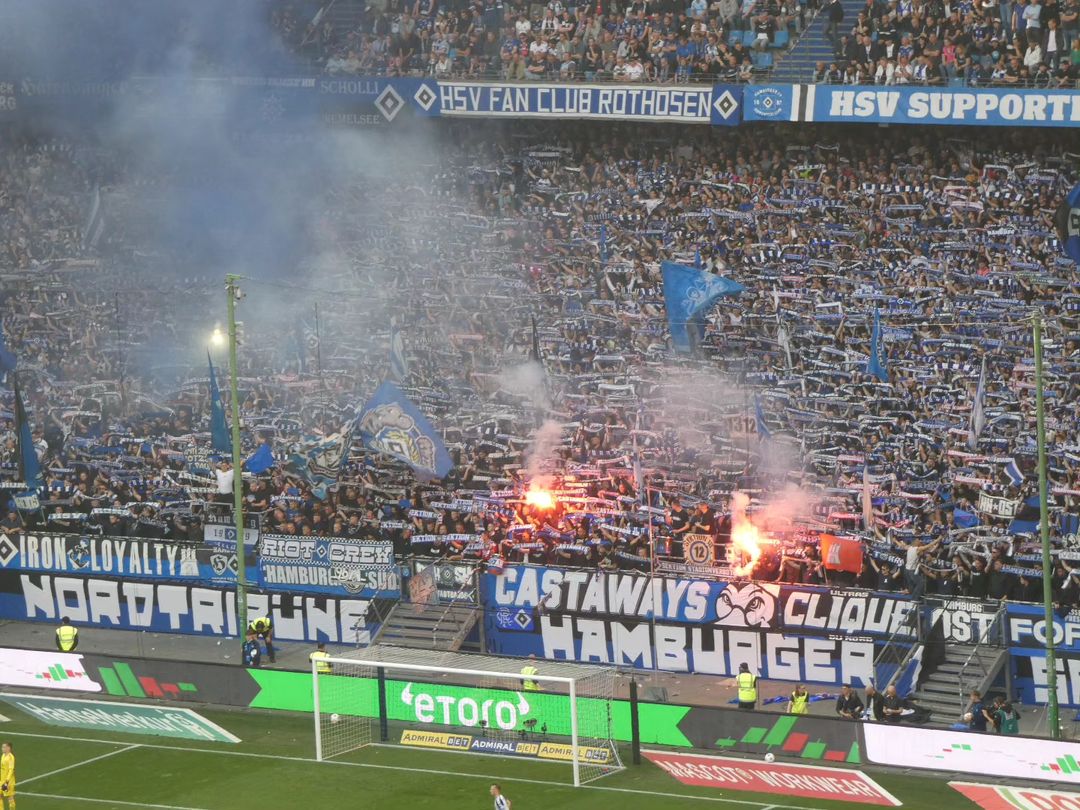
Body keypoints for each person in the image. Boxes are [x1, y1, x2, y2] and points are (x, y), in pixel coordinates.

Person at [0, 742, 13, 810]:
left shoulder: (10, 757)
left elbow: (11, 770)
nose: (2, 748)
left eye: (4, 747)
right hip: (2, 780)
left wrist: (7, 782)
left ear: (8, 748)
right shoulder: (3, 755)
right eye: (2, 747)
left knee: (9, 798)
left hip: (8, 781)